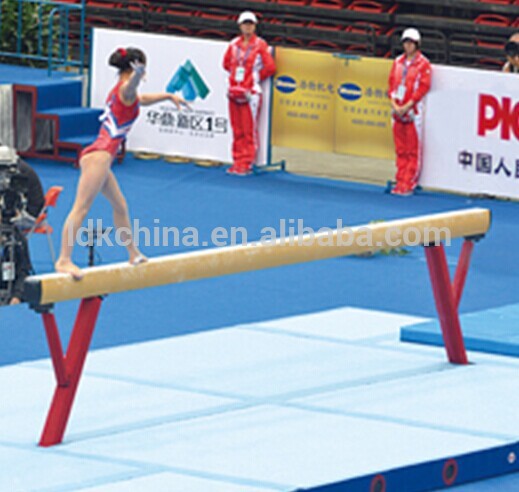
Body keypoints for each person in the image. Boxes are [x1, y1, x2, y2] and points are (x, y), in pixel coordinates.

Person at [55, 47, 189, 280]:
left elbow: (141, 98)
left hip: (102, 158)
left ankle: (132, 253)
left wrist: (168, 96)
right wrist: (138, 75)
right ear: (135, 67)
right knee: (81, 208)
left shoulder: (122, 93)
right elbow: (132, 89)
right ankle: (63, 260)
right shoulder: (125, 90)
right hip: (99, 155)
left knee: (120, 206)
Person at [223, 11, 276, 176]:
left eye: (250, 24)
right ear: (239, 25)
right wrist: (236, 81)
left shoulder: (260, 44)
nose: (248, 27)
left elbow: (270, 67)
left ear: (255, 26)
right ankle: (237, 161)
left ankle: (247, 162)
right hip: (234, 91)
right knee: (236, 128)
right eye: (245, 23)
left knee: (248, 129)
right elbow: (225, 64)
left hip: (251, 93)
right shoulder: (233, 44)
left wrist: (253, 79)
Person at [388, 28, 432, 196]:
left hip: (413, 112)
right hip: (397, 111)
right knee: (400, 149)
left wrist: (407, 106)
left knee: (412, 149)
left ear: (417, 44)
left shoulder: (423, 64)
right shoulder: (398, 62)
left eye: (411, 43)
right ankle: (400, 180)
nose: (408, 46)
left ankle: (409, 182)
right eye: (406, 42)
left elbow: (423, 87)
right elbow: (391, 85)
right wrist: (395, 105)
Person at [0, 147, 44, 305]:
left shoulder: (23, 173)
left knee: (16, 245)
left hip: (25, 214)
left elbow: (37, 203)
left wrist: (20, 216)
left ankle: (15, 291)